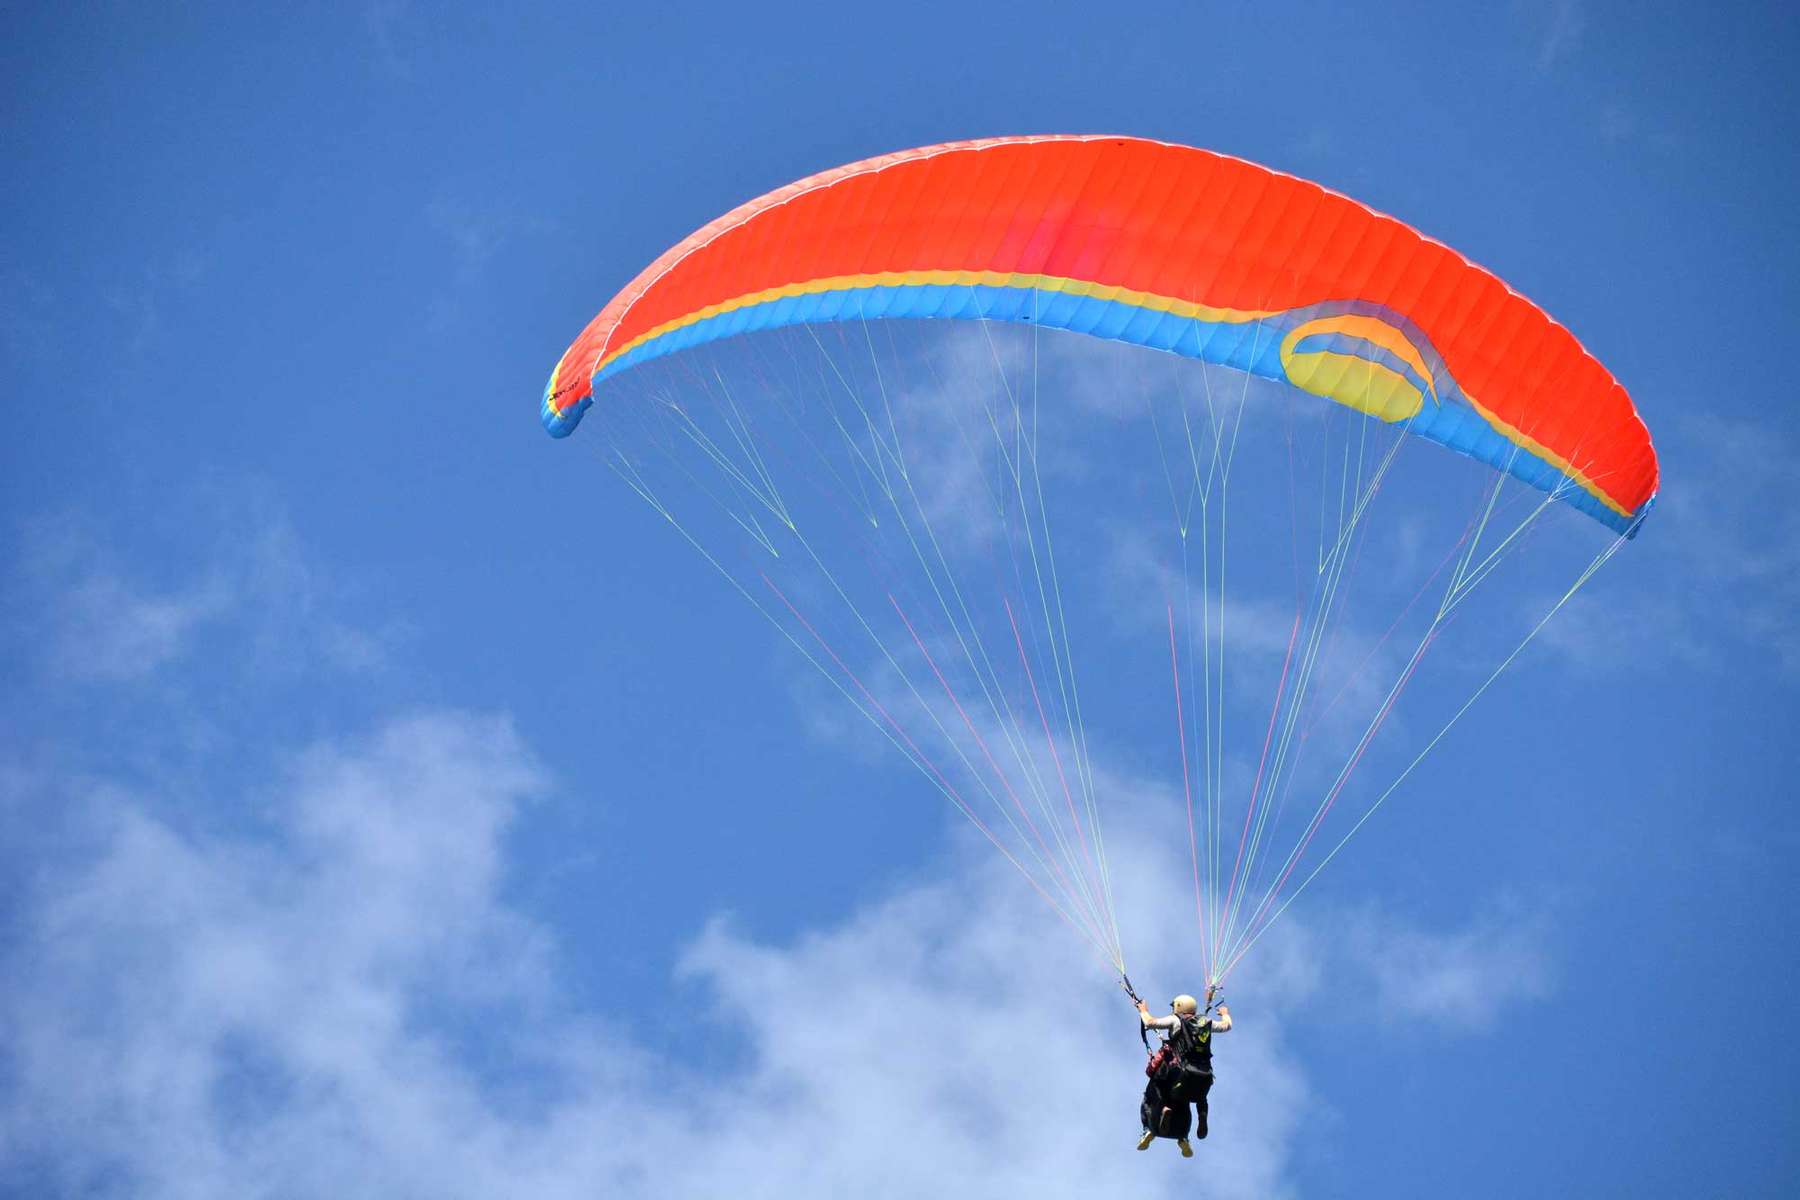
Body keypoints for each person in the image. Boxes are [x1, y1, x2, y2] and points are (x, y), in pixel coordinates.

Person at [1135, 991, 1231, 1156]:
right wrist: (1225, 1014)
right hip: (1205, 1074)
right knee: (1193, 1098)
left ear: (1178, 1007)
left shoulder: (1176, 1020)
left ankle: (1149, 1128)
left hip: (1180, 1072)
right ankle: (1187, 1133)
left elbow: (1150, 1023)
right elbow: (1226, 1026)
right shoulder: (1206, 1022)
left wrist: (1143, 1010)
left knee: (1154, 1090)